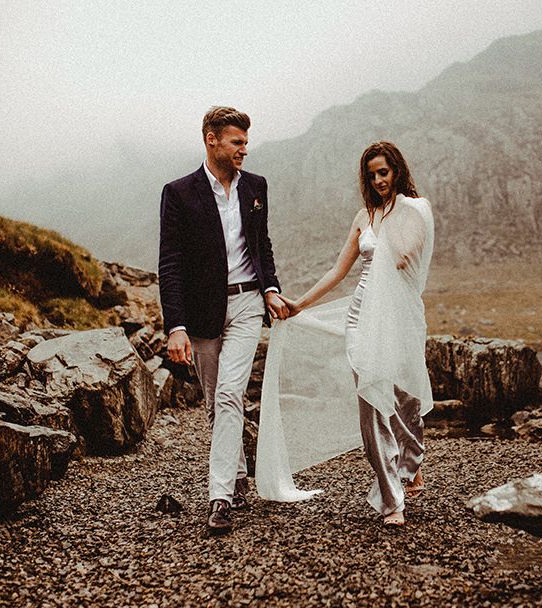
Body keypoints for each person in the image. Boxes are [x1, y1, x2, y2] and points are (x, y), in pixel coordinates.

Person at [280, 141, 434, 528]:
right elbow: (338, 271)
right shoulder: (362, 218)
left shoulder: (416, 211)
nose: (379, 180)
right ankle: (391, 498)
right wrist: (300, 304)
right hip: (362, 316)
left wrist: (394, 218)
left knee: (405, 398)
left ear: (397, 170)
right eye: (372, 175)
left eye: (385, 172)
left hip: (399, 314)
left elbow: (403, 257)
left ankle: (411, 461)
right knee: (371, 404)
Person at [159, 106, 289, 536]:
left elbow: (261, 243)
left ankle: (220, 498)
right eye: (237, 142)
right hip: (202, 314)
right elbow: (171, 263)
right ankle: (234, 473)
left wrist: (270, 287)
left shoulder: (256, 187)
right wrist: (175, 325)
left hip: (248, 302)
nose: (244, 150)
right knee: (218, 401)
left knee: (232, 394)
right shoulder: (178, 193)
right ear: (211, 140)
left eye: (246, 143)